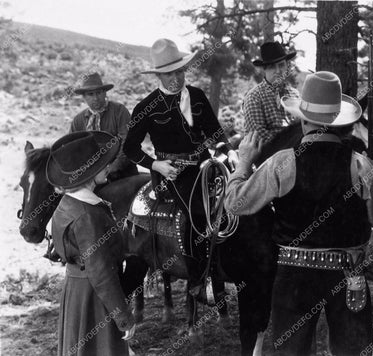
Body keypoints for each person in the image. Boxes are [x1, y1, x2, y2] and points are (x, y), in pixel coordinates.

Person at [224, 71, 373, 355]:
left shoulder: (282, 163)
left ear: (302, 120)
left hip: (294, 278)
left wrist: (243, 163)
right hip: (347, 276)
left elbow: (235, 204)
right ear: (341, 125)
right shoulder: (361, 166)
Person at [123, 38, 238, 299]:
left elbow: (214, 131)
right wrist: (155, 164)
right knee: (197, 211)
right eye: (167, 74)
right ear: (158, 75)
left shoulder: (197, 96)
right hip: (170, 172)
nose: (175, 78)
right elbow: (130, 148)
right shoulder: (146, 107)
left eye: (179, 71)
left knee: (234, 198)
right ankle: (199, 280)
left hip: (204, 164)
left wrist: (229, 150)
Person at [47, 131, 136, 356]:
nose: (109, 167)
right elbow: (101, 271)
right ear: (90, 172)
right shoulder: (88, 214)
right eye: (103, 164)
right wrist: (124, 318)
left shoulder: (66, 204)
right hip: (94, 296)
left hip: (76, 290)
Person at [70, 72, 138, 181]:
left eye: (98, 93)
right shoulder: (78, 121)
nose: (96, 98)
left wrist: (113, 167)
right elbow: (73, 149)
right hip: (91, 178)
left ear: (105, 93)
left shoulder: (119, 111)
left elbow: (128, 142)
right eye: (90, 94)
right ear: (84, 97)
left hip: (122, 175)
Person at [243, 41, 300, 144]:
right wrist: (290, 145)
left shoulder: (295, 94)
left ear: (287, 66)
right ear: (264, 69)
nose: (278, 70)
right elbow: (258, 136)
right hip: (267, 155)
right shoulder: (254, 96)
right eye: (272, 66)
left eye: (281, 65)